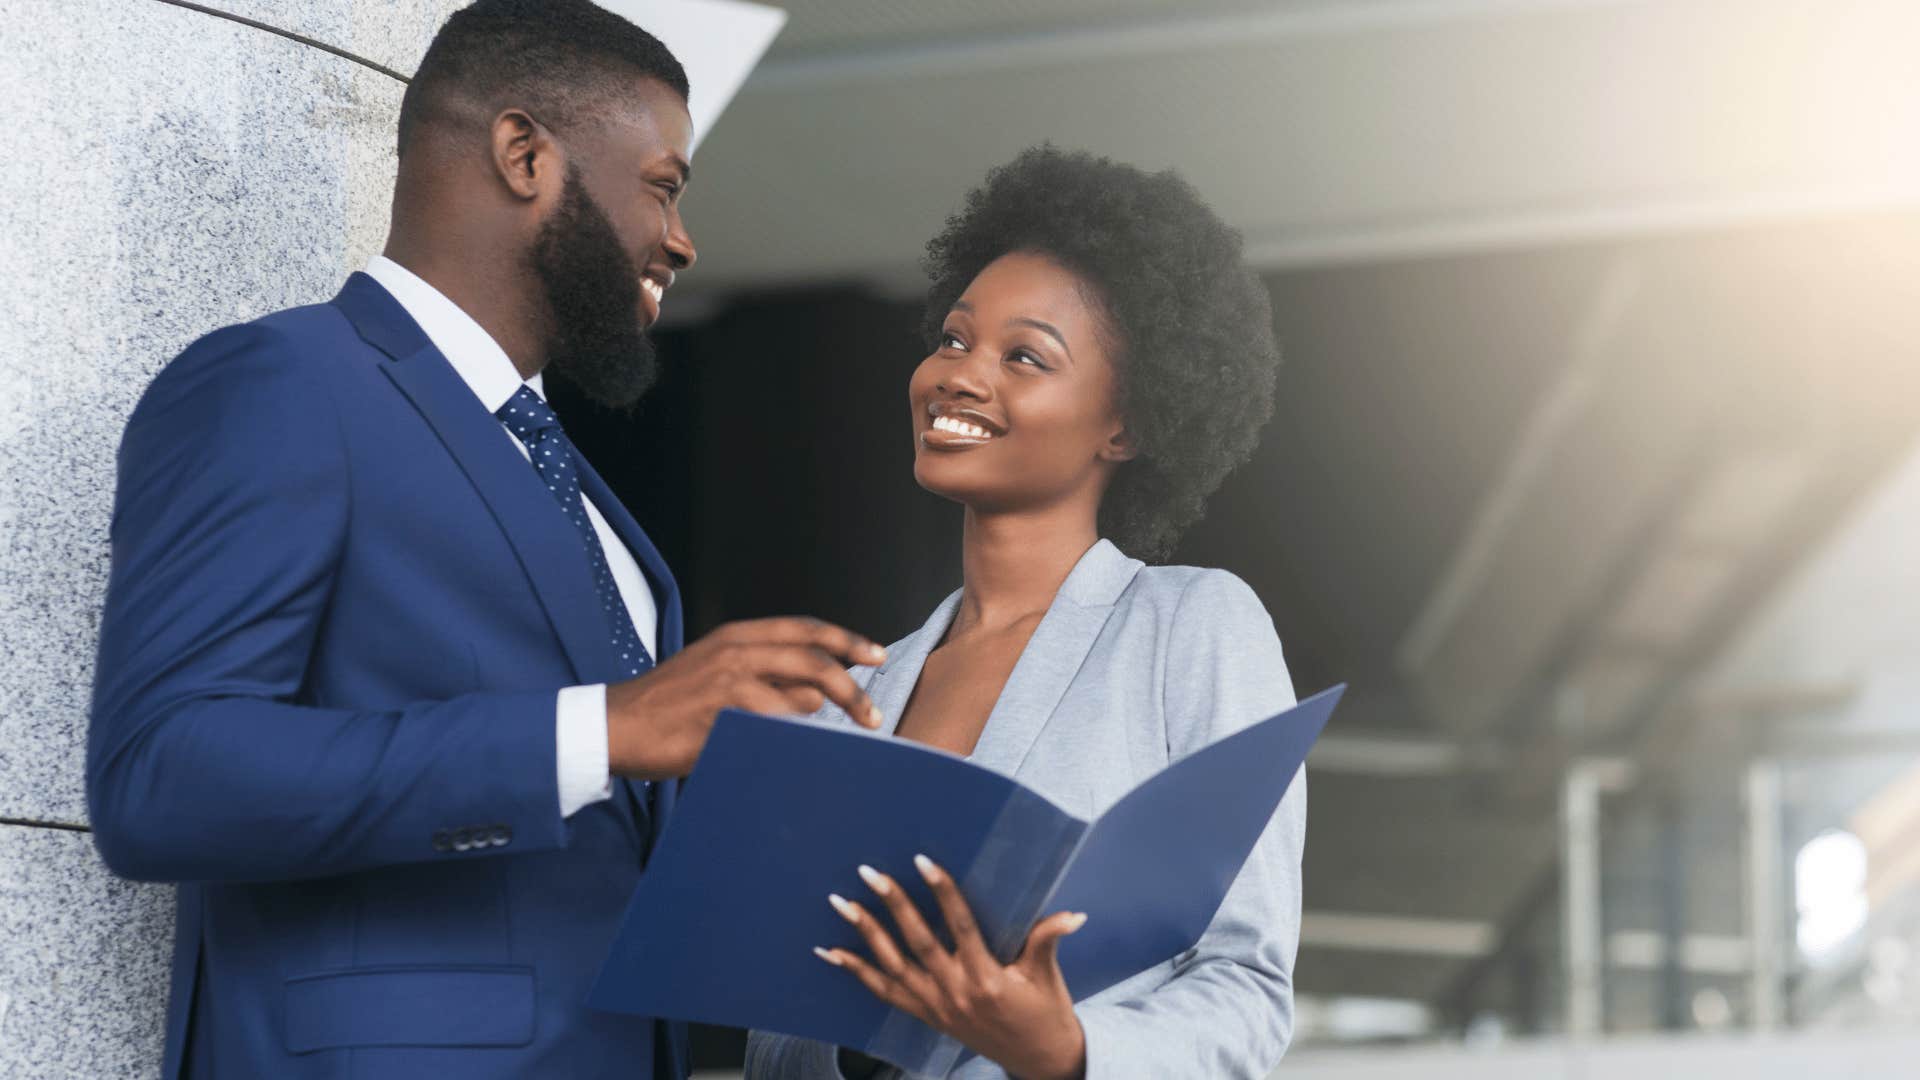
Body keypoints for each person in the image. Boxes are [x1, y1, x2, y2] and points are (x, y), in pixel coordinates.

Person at [86, 2, 885, 1077]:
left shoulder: (585, 493)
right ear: (524, 154)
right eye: (663, 185)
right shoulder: (284, 384)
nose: (683, 237)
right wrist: (599, 731)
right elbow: (163, 778)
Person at [745, 146, 1301, 1080]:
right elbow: (769, 1041)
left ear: (1126, 425)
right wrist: (861, 1033)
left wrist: (1066, 1051)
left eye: (1026, 357)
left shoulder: (1192, 627)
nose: (961, 375)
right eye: (955, 339)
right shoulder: (843, 697)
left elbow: (1245, 986)